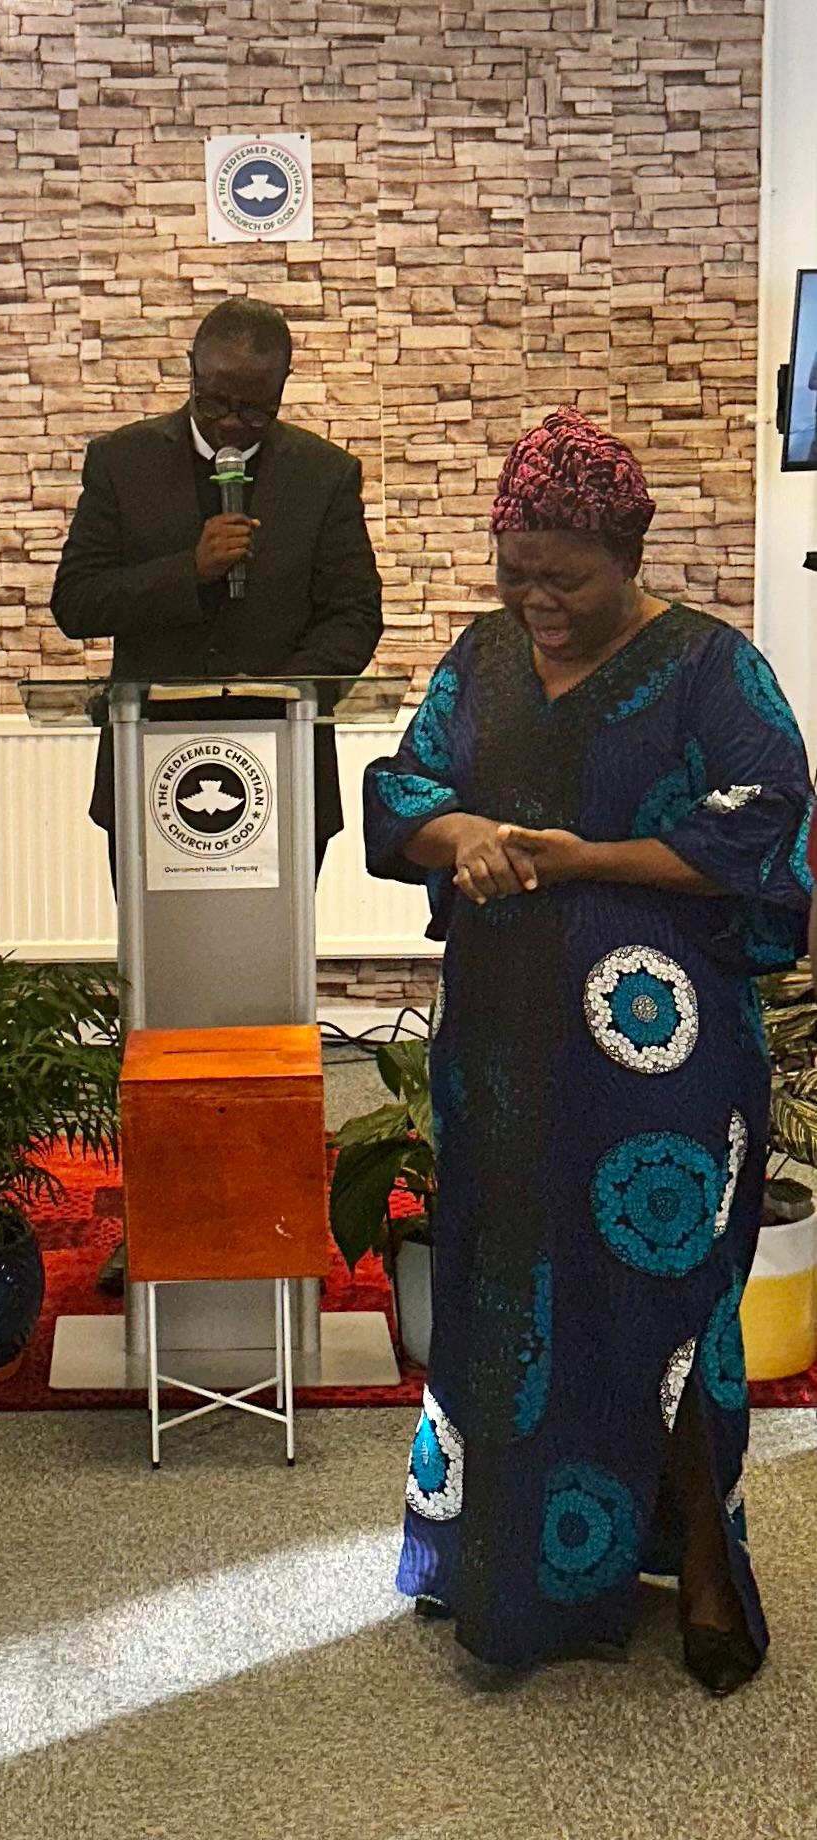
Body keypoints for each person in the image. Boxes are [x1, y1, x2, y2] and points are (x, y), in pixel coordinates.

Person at [364, 406, 813, 1694]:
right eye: (516, 573)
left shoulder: (709, 668)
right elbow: (402, 787)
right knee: (506, 1295)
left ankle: (706, 1567)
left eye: (563, 578)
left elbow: (766, 824)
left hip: (661, 1065)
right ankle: (505, 1568)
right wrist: (463, 836)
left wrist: (582, 858)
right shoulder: (480, 659)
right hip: (500, 1045)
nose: (536, 602)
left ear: (628, 556)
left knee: (658, 1304)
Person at [52, 295, 383, 1290]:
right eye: (217, 401)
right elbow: (77, 602)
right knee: (163, 1016)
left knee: (261, 1013)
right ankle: (159, 1225)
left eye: (255, 406)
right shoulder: (122, 463)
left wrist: (274, 698)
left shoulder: (323, 474)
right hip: (150, 774)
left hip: (278, 778)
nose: (235, 423)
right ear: (190, 376)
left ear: (282, 388)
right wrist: (183, 569)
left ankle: (269, 1225)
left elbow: (354, 618)